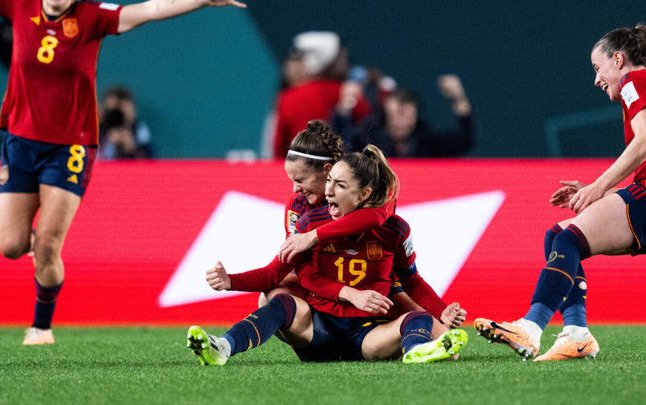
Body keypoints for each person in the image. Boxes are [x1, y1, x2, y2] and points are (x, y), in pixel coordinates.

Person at [0, 0, 247, 345]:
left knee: (46, 246)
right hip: (20, 141)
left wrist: (204, 0)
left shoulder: (92, 17)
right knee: (11, 246)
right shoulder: (19, 6)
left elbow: (153, 9)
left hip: (69, 147)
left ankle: (41, 326)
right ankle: (33, 245)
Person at [474, 23, 646, 361]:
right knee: (559, 235)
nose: (596, 79)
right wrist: (598, 191)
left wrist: (598, 188)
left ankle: (532, 327)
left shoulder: (636, 81)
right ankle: (576, 334)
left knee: (566, 239)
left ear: (618, 59)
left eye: (597, 67)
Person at [189, 145, 468, 365]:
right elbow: (274, 273)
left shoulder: (394, 229)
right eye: (330, 181)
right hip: (318, 328)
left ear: (364, 194)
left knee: (417, 321)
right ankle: (222, 347)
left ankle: (417, 353)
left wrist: (441, 309)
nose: (328, 191)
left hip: (367, 334)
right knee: (279, 302)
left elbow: (413, 281)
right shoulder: (309, 220)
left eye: (340, 185)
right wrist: (230, 281)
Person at [272, 31, 371, 159]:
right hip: (340, 172)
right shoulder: (347, 92)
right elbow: (369, 129)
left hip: (297, 172)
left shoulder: (287, 97)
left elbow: (278, 146)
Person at [334, 76, 474, 157]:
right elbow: (341, 146)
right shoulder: (368, 139)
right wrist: (344, 108)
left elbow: (464, 141)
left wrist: (459, 98)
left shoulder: (427, 141)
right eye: (396, 114)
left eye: (407, 114)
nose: (400, 121)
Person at [99, 86, 153, 159]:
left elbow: (149, 159)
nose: (115, 115)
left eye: (119, 111)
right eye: (111, 111)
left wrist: (130, 147)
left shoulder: (138, 129)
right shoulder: (97, 129)